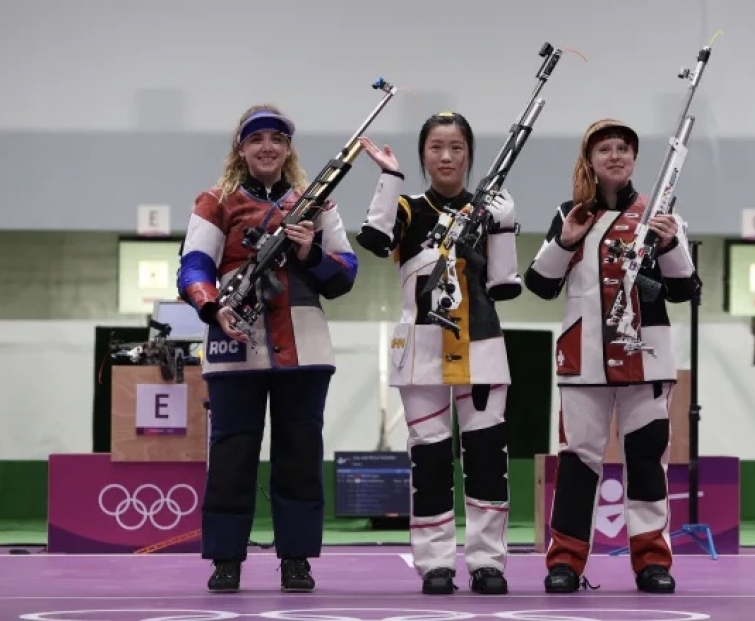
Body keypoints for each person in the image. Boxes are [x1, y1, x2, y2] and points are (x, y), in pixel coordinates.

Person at [177, 105, 358, 594]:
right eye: (256, 139)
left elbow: (345, 273)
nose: (267, 147)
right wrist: (212, 308)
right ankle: (226, 558)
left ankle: (296, 559)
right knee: (232, 455)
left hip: (306, 345)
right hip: (235, 341)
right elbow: (193, 266)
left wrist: (309, 252)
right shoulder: (215, 202)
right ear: (241, 148)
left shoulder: (317, 204)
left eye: (277, 139)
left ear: (288, 148)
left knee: (300, 454)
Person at [524, 118, 700, 594]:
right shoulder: (569, 212)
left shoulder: (662, 215)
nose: (616, 156)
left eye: (624, 148)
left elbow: (685, 289)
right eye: (606, 149)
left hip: (647, 361)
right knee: (578, 463)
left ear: (636, 159)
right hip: (583, 361)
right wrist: (565, 241)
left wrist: (670, 244)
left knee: (647, 463)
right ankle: (565, 563)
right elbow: (538, 285)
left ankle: (651, 562)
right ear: (590, 160)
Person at [355, 111, 522, 595]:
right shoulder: (407, 208)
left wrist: (505, 225)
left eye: (457, 147)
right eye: (436, 147)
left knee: (487, 459)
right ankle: (435, 564)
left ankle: (488, 562)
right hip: (421, 352)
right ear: (424, 153)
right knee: (428, 462)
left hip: (484, 350)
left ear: (470, 155)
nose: (446, 156)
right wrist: (390, 177)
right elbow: (374, 238)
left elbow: (504, 285)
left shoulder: (489, 209)